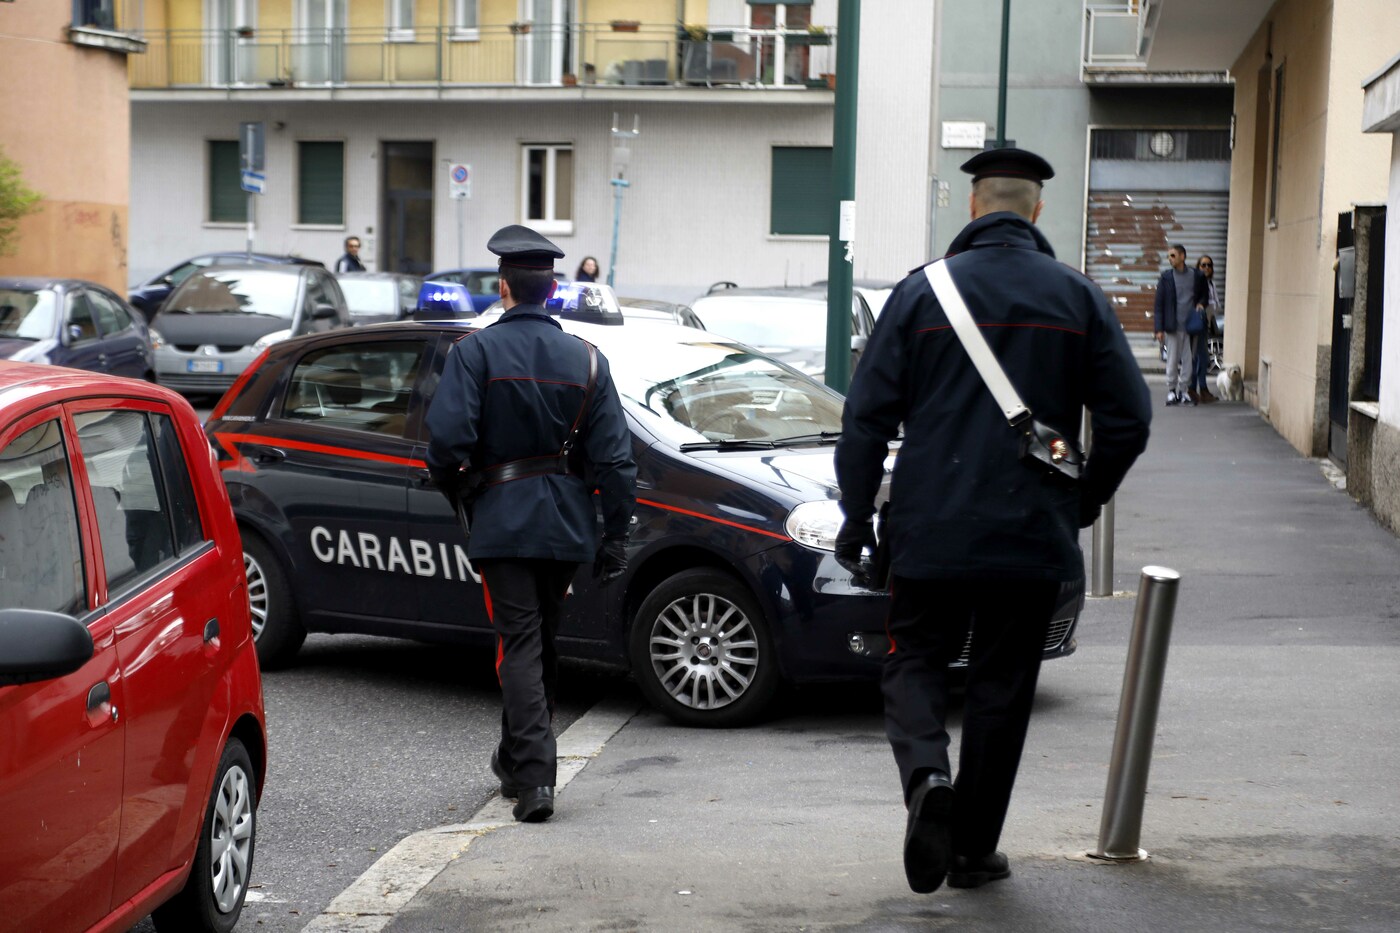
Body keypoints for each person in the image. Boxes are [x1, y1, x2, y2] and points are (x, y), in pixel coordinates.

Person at [834, 147, 1151, 895]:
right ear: (1035, 210)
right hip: (1032, 532)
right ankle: (973, 850)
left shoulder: (921, 293)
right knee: (1002, 686)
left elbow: (865, 421)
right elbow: (1130, 420)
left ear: (974, 206)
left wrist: (856, 515)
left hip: (931, 526)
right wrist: (1083, 498)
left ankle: (927, 778)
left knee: (913, 659)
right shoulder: (1078, 297)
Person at [425, 224, 636, 824]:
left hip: (503, 518)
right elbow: (616, 461)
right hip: (566, 524)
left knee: (519, 644)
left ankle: (537, 777)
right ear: (551, 291)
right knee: (540, 642)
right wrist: (615, 535)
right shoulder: (588, 359)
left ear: (504, 286)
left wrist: (458, 487)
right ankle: (516, 762)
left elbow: (447, 442)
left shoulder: (475, 352)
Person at [1153, 244, 1207, 406]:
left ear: (1182, 256)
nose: (1170, 259)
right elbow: (1159, 305)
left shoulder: (1196, 275)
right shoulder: (1166, 278)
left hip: (1191, 327)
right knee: (1172, 360)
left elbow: (1204, 294)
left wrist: (1201, 304)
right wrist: (1159, 328)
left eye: (1173, 255)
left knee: (1188, 361)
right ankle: (1171, 391)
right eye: (1169, 256)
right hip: (1173, 326)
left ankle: (1184, 391)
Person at [1191, 255, 1221, 403]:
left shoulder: (1211, 284)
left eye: (1209, 265)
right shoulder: (1196, 282)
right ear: (1198, 267)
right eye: (1203, 265)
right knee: (1199, 357)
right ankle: (1196, 389)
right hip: (1196, 324)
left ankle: (1200, 389)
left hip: (1205, 324)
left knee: (1201, 358)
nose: (1206, 268)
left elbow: (1215, 305)